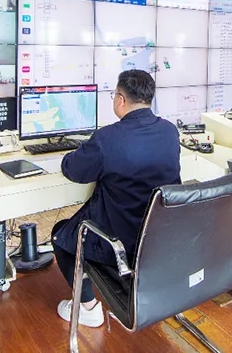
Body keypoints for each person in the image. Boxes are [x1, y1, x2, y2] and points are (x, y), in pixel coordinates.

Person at [50, 69, 180, 328]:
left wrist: (76, 151)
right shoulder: (170, 131)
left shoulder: (108, 138)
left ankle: (88, 307)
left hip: (120, 242)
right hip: (160, 241)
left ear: (120, 100)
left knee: (61, 234)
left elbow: (73, 170)